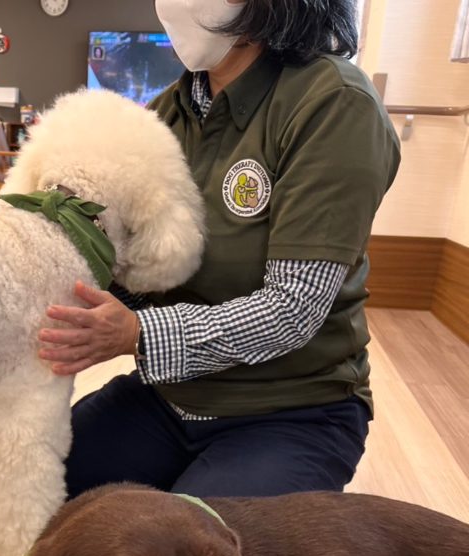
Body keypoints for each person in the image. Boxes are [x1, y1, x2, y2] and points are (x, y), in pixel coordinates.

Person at [39, 0, 401, 500]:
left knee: (193, 542)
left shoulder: (334, 104)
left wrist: (136, 333)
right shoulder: (164, 114)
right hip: (168, 396)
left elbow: (292, 309)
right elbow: (139, 272)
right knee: (38, 478)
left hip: (292, 410)